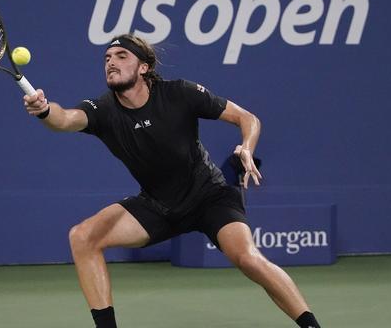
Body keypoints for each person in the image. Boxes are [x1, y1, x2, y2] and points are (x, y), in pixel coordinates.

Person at [23, 33, 322, 328]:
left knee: (247, 258)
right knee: (82, 237)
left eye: (121, 56)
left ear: (144, 67)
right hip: (158, 205)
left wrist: (247, 147)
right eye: (107, 58)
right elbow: (64, 119)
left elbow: (248, 118)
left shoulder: (180, 93)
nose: (111, 63)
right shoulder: (102, 110)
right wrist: (45, 110)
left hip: (210, 196)